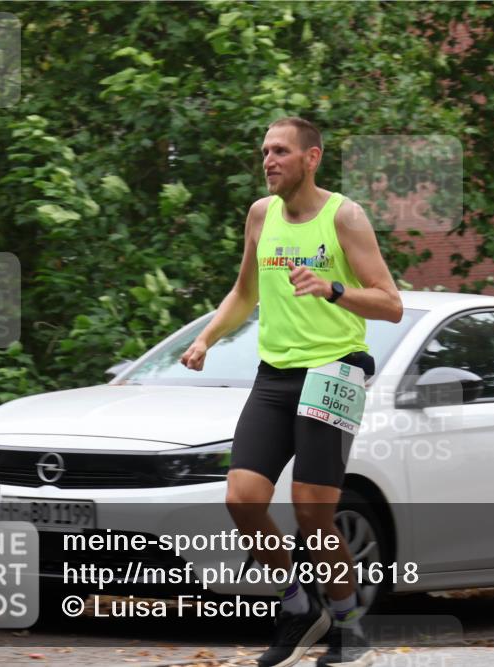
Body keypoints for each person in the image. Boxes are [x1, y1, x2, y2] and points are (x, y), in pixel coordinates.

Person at [181, 117, 401, 667]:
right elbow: (244, 290)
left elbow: (390, 302)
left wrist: (332, 288)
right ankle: (299, 606)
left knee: (312, 514)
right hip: (275, 374)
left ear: (312, 157)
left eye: (280, 151)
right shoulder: (262, 214)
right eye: (264, 152)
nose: (269, 161)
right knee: (242, 498)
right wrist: (207, 336)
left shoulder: (344, 217)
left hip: (334, 371)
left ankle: (349, 626)